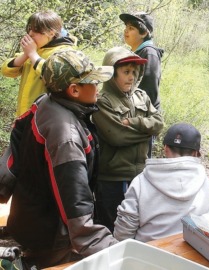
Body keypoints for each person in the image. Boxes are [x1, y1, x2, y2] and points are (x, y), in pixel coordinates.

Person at [0, 50, 118, 268]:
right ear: (74, 90)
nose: (98, 87)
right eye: (93, 82)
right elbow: (74, 198)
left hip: (30, 216)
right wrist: (106, 246)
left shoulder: (45, 102)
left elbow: (16, 140)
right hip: (50, 234)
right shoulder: (66, 136)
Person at [92, 46, 164, 233]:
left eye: (134, 72)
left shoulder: (141, 96)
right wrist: (147, 132)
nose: (131, 77)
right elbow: (117, 136)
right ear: (112, 73)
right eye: (125, 72)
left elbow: (159, 123)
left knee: (136, 224)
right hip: (113, 177)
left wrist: (134, 122)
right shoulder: (102, 101)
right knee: (111, 226)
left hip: (140, 174)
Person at [114, 123, 209, 242]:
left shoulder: (141, 181)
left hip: (147, 254)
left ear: (165, 149)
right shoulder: (205, 181)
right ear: (196, 153)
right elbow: (208, 224)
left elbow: (124, 230)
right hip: (190, 252)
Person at [1, 10, 77, 117]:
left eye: (36, 30)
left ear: (51, 33)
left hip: (47, 119)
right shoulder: (36, 49)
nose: (30, 34)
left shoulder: (64, 52)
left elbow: (54, 76)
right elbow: (6, 71)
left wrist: (32, 54)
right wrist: (26, 54)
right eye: (30, 29)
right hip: (24, 117)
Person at [119, 12, 164, 111]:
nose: (126, 31)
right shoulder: (135, 52)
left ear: (144, 33)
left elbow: (149, 89)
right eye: (126, 27)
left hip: (145, 114)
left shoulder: (149, 53)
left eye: (131, 28)